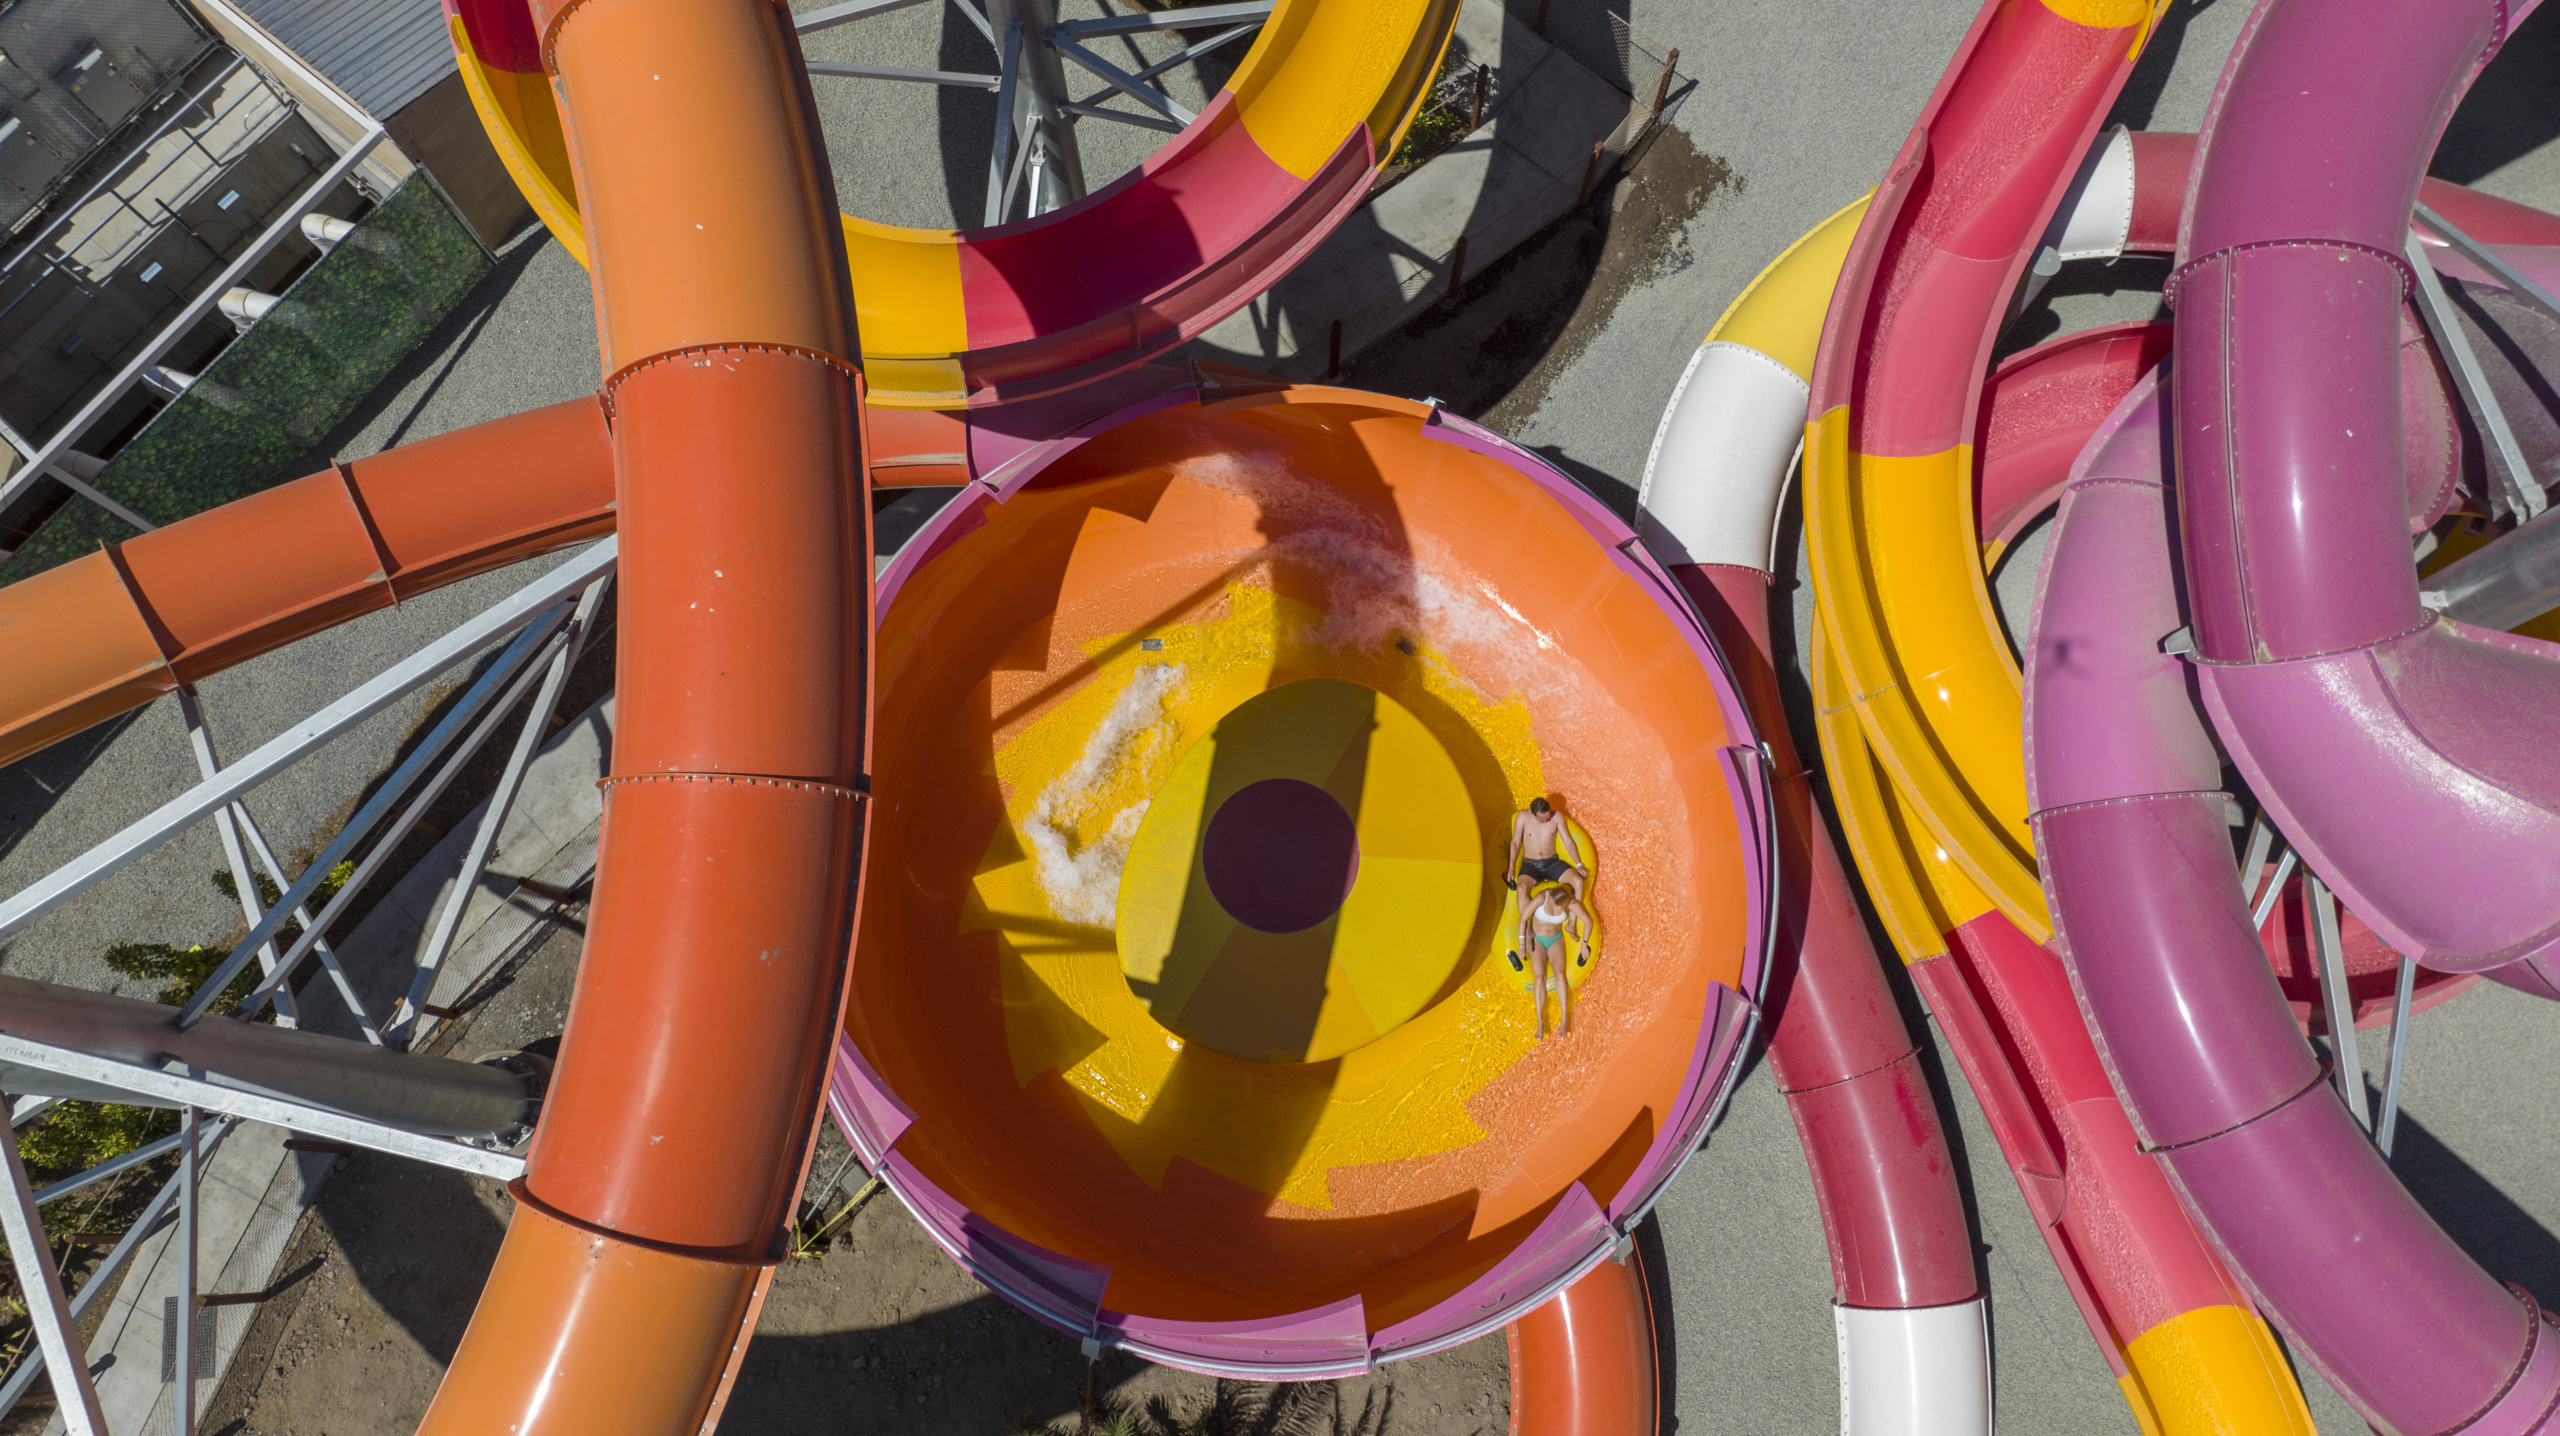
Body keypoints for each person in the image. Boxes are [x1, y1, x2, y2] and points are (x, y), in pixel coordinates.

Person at [1519, 883, 1592, 1039]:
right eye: (1551, 900)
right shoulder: (1542, 897)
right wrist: (1521, 944)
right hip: (1537, 939)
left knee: (1560, 976)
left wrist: (1584, 945)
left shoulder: (1571, 903)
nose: (1550, 903)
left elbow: (1588, 921)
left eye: (1554, 903)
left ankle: (1564, 1016)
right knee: (1539, 978)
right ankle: (1539, 1021)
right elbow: (1523, 918)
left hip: (1555, 940)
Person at [1505, 796, 1587, 909]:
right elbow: (1515, 842)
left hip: (1552, 863)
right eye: (1543, 819)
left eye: (1548, 817)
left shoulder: (1556, 816)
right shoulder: (1523, 817)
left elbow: (1568, 841)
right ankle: (1526, 926)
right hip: (1530, 865)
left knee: (1578, 881)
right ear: (1533, 813)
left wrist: (1579, 864)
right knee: (1521, 888)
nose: (1547, 821)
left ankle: (1573, 919)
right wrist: (1511, 867)